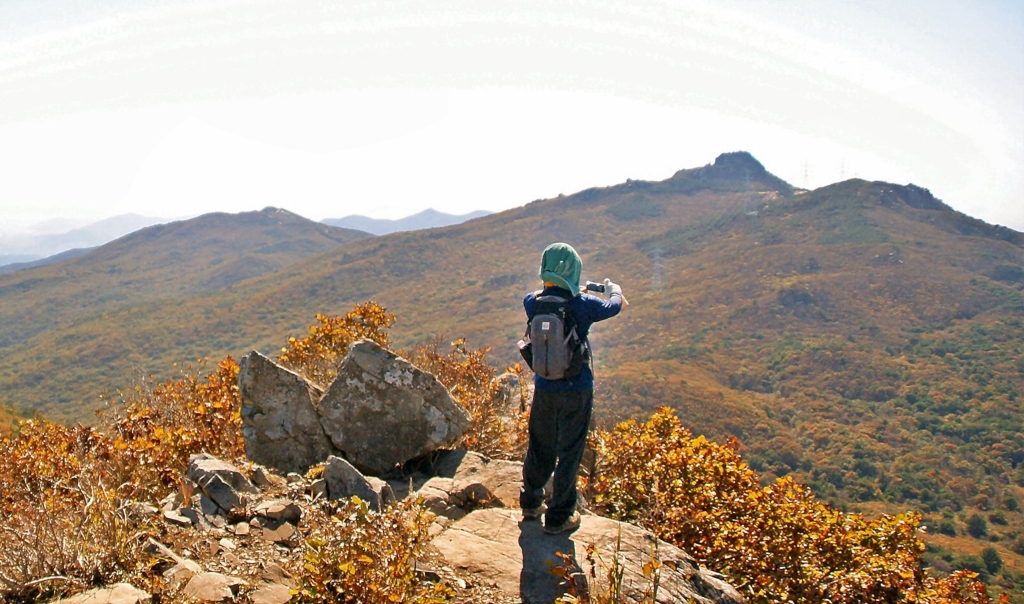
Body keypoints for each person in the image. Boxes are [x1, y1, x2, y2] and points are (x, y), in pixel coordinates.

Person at [520, 242, 625, 534]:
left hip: (545, 386)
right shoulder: (584, 306)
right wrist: (613, 289)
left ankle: (530, 501)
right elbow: (614, 306)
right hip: (577, 389)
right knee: (569, 451)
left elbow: (545, 296)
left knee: (540, 445)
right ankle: (560, 516)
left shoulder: (532, 301)